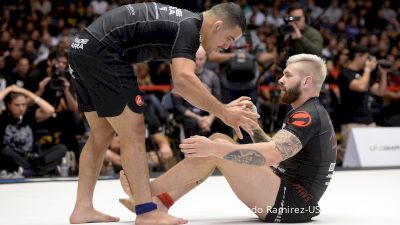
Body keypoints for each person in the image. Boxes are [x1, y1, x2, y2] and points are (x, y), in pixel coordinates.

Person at [67, 2, 259, 225]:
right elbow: (184, 80)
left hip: (82, 48)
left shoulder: (184, 22)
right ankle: (146, 211)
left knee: (101, 134)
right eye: (229, 39)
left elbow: (182, 81)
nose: (227, 46)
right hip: (103, 52)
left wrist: (220, 110)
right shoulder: (190, 27)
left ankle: (82, 208)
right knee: (135, 133)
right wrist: (224, 112)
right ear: (217, 25)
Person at [119, 54, 337, 223]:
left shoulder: (306, 115)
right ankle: (158, 202)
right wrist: (252, 127)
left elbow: (271, 155)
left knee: (217, 145)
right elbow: (279, 153)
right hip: (291, 196)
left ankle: (146, 194)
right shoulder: (309, 111)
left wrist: (213, 150)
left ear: (307, 81)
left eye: (288, 75)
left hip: (291, 205)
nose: (280, 80)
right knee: (217, 137)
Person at [0, 85, 67, 176]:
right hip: (14, 158)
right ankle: (36, 171)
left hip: (33, 158)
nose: (21, 108)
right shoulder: (3, 117)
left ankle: (30, 171)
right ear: (9, 105)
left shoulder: (29, 116)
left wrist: (26, 92)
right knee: (4, 151)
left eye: (24, 105)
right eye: (17, 105)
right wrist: (9, 89)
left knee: (61, 148)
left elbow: (50, 110)